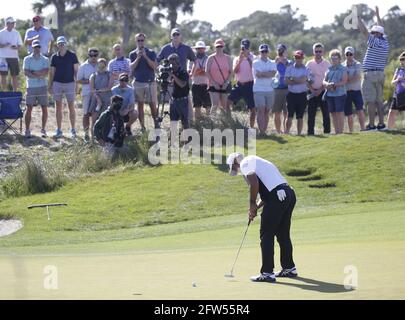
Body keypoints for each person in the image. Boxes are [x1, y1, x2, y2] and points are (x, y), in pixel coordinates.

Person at [226, 152, 297, 283]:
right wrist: (255, 208)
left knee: (266, 234)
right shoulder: (258, 161)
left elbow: (254, 183)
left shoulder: (245, 163)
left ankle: (267, 272)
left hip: (277, 196)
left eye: (235, 168)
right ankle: (289, 268)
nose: (238, 171)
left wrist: (252, 203)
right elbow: (268, 192)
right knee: (282, 234)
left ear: (236, 162)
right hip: (288, 194)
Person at [357, 6, 389, 131]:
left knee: (370, 101)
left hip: (370, 75)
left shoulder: (373, 41)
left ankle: (371, 125)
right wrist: (377, 15)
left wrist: (358, 18)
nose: (371, 34)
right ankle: (381, 124)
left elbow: (364, 31)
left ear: (376, 34)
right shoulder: (385, 41)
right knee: (379, 101)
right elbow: (380, 27)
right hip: (380, 74)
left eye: (373, 32)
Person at [49, 36, 79, 139]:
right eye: (59, 44)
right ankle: (59, 129)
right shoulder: (54, 56)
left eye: (63, 43)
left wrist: (77, 84)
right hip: (57, 83)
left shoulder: (72, 55)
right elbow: (52, 72)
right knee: (58, 107)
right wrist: (50, 85)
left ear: (66, 44)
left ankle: (73, 129)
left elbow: (76, 71)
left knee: (71, 106)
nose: (61, 45)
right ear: (57, 45)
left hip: (70, 83)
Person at [129, 33, 158, 131]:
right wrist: (138, 58)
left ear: (144, 41)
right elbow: (131, 68)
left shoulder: (151, 52)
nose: (140, 42)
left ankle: (156, 124)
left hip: (150, 82)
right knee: (140, 105)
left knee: (152, 104)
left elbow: (154, 66)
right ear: (136, 41)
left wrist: (145, 56)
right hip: (138, 82)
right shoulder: (132, 54)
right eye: (138, 40)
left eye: (142, 40)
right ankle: (142, 127)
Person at [23, 39, 49, 138]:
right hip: (31, 87)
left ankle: (43, 130)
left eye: (38, 47)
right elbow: (26, 72)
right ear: (32, 48)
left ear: (40, 48)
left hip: (42, 86)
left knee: (44, 108)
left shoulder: (45, 59)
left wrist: (33, 72)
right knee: (29, 108)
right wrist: (38, 74)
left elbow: (45, 71)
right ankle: (27, 130)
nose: (37, 49)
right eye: (35, 47)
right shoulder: (27, 59)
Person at [227, 39, 256, 128]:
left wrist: (247, 58)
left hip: (249, 85)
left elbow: (254, 69)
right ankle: (230, 124)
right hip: (239, 85)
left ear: (249, 48)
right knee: (227, 103)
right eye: (243, 48)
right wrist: (240, 60)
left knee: (253, 109)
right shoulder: (237, 58)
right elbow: (235, 71)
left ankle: (251, 128)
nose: (244, 50)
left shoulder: (253, 57)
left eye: (246, 48)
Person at [306, 43, 331, 135]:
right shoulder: (309, 63)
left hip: (324, 91)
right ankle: (310, 132)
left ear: (323, 52)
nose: (318, 53)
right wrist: (312, 90)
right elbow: (306, 79)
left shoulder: (327, 64)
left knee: (326, 114)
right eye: (316, 51)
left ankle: (327, 132)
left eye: (320, 51)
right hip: (311, 91)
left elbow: (328, 79)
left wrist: (320, 90)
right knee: (311, 114)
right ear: (313, 52)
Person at [252, 44, 277, 135]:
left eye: (266, 51)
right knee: (261, 109)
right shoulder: (255, 62)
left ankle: (264, 130)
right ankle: (261, 131)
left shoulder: (273, 62)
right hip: (258, 89)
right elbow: (258, 74)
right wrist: (268, 73)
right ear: (260, 52)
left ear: (268, 52)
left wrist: (264, 73)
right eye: (262, 51)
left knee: (267, 110)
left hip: (270, 89)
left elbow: (273, 74)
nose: (264, 53)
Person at [285, 50, 310, 135]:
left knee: (300, 116)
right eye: (296, 57)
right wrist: (298, 80)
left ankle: (299, 134)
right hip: (291, 95)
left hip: (302, 95)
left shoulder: (306, 69)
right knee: (289, 116)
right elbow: (287, 81)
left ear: (302, 58)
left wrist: (292, 78)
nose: (297, 59)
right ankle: (287, 133)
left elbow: (303, 80)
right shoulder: (289, 68)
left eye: (299, 57)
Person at [206, 38, 233, 115]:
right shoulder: (210, 58)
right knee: (215, 105)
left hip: (225, 84)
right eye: (217, 46)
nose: (219, 48)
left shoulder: (228, 58)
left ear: (223, 47)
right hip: (213, 85)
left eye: (221, 46)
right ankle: (212, 124)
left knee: (224, 106)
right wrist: (214, 83)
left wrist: (226, 83)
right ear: (215, 47)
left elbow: (231, 72)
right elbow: (207, 71)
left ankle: (225, 123)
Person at [323, 49, 348, 135]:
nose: (334, 60)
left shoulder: (343, 69)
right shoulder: (329, 69)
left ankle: (340, 132)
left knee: (339, 112)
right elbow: (324, 81)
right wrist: (327, 84)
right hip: (330, 94)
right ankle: (336, 131)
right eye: (332, 58)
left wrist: (334, 85)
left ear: (339, 59)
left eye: (335, 58)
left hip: (340, 94)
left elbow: (344, 81)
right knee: (333, 113)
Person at [77, 48, 99, 141]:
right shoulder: (83, 66)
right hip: (87, 93)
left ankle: (95, 133)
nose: (93, 57)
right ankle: (86, 133)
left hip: (98, 93)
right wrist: (91, 81)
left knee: (96, 114)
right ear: (88, 55)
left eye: (95, 55)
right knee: (86, 114)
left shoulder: (101, 65)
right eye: (91, 55)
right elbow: (78, 80)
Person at [343, 46, 366, 132]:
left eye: (350, 54)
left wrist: (346, 79)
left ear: (353, 54)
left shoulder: (358, 64)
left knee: (360, 110)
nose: (349, 56)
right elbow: (344, 78)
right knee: (349, 113)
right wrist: (347, 78)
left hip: (356, 91)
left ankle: (363, 129)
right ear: (345, 55)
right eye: (347, 54)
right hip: (346, 92)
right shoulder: (342, 65)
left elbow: (357, 77)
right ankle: (351, 131)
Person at [167, 53, 190, 131]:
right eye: (170, 63)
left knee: (185, 122)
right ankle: (174, 140)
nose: (172, 65)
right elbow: (169, 84)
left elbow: (182, 84)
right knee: (173, 122)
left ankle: (187, 140)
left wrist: (173, 76)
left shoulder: (183, 72)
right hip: (174, 100)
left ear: (177, 62)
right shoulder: (171, 72)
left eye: (173, 63)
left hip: (182, 100)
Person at [189, 40, 211, 120]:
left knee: (208, 107)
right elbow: (190, 72)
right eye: (198, 48)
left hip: (207, 85)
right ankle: (198, 125)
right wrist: (202, 71)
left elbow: (209, 72)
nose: (200, 50)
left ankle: (210, 123)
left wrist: (198, 71)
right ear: (196, 49)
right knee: (197, 106)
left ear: (204, 49)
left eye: (201, 48)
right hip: (196, 85)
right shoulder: (191, 59)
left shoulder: (209, 59)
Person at [0, 17, 23, 91]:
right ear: (7, 24)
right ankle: (4, 92)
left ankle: (15, 93)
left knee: (14, 76)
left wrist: (15, 47)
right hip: (3, 58)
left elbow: (20, 46)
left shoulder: (16, 33)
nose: (13, 24)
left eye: (13, 23)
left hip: (14, 57)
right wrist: (4, 45)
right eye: (12, 23)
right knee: (3, 76)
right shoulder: (1, 33)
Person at [273, 44, 291, 134]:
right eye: (279, 50)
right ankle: (278, 130)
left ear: (286, 51)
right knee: (277, 112)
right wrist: (277, 63)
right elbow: (272, 74)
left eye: (283, 50)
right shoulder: (274, 62)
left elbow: (292, 72)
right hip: (277, 89)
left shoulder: (290, 62)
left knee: (287, 112)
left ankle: (285, 131)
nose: (281, 52)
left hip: (288, 88)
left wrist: (285, 63)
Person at [387, 52, 405, 130]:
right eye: (401, 62)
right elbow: (392, 82)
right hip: (397, 94)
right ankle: (389, 129)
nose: (402, 64)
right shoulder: (398, 70)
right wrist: (398, 80)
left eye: (403, 62)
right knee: (391, 112)